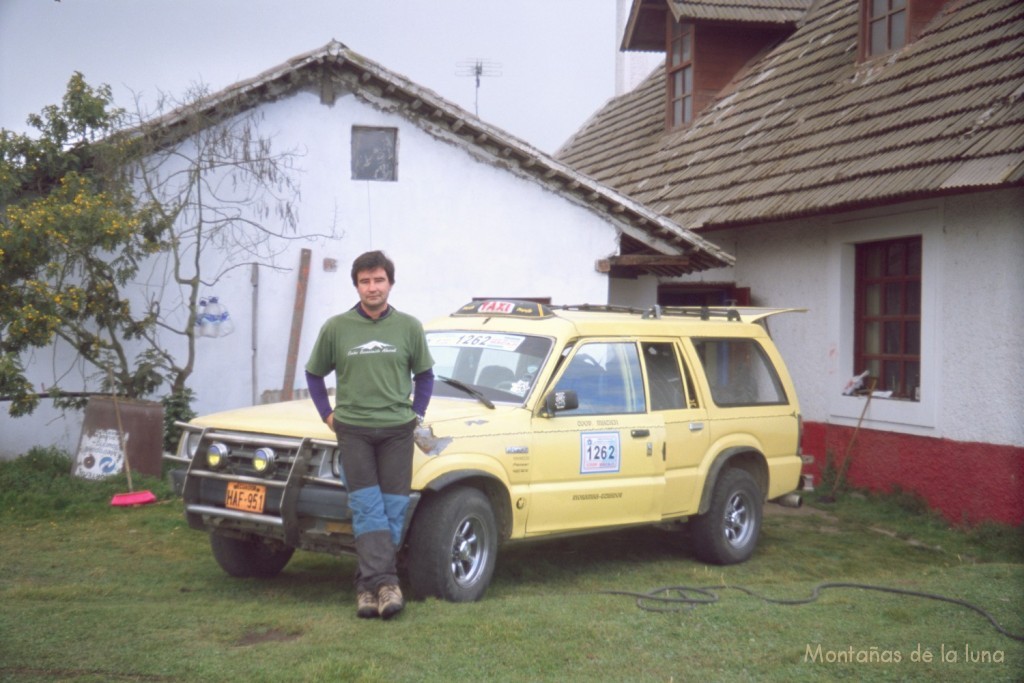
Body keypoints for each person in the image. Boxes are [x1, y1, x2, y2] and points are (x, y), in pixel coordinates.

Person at [305, 250, 434, 620]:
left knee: (392, 509)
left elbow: (425, 375)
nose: (372, 287)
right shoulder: (336, 327)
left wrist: (416, 413)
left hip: (397, 432)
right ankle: (386, 585)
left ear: (390, 283)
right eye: (365, 281)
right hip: (354, 432)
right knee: (367, 506)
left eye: (379, 280)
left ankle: (367, 588)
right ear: (357, 286)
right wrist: (327, 415)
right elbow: (314, 374)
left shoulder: (409, 327)